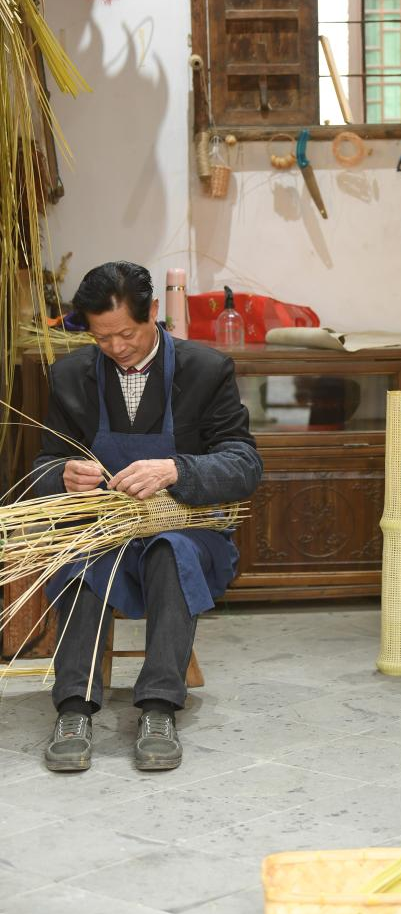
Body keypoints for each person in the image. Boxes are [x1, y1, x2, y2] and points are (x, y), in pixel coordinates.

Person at [33, 262, 263, 773]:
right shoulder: (70, 376)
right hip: (105, 530)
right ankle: (73, 709)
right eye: (102, 338)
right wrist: (62, 475)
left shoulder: (205, 370)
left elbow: (245, 464)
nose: (116, 347)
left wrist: (177, 469)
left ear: (153, 312)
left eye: (127, 334)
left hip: (187, 531)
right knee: (84, 554)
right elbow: (44, 465)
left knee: (170, 551)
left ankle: (159, 708)